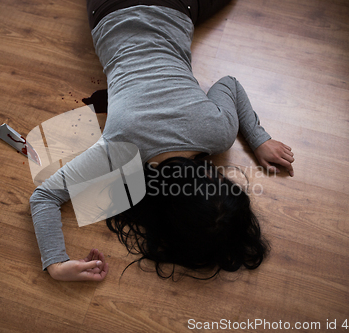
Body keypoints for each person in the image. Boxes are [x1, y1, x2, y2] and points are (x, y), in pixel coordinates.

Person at [29, 0, 295, 282]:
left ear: (210, 176)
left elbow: (230, 84)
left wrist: (259, 139)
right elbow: (43, 197)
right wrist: (56, 264)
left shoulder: (218, 132)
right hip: (108, 9)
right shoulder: (121, 149)